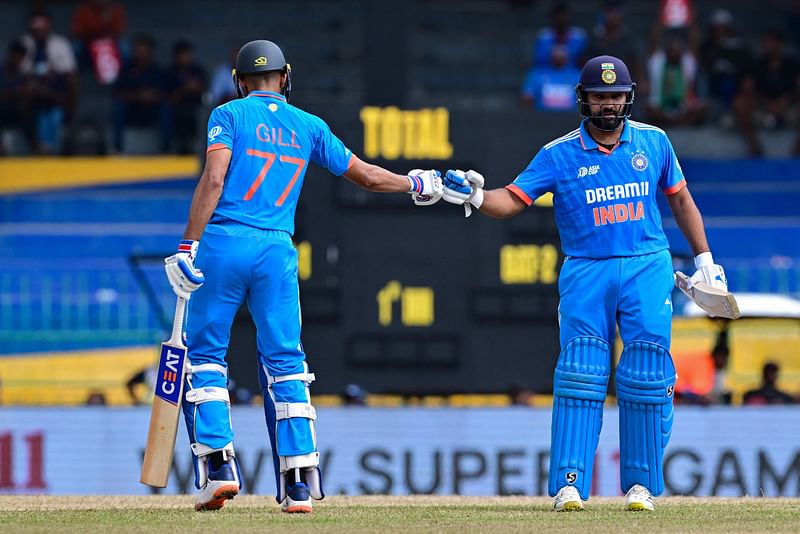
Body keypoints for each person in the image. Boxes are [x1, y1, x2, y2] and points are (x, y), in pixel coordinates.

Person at [436, 55, 730, 512]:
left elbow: (681, 199)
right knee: (581, 373)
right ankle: (569, 484)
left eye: (615, 96)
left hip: (645, 265)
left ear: (628, 98)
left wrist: (705, 261)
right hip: (587, 268)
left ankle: (641, 487)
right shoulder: (557, 154)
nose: (608, 104)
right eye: (599, 96)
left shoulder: (654, 142)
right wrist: (475, 194)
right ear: (583, 99)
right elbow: (509, 201)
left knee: (648, 373)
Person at [163, 39, 442, 514]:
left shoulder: (227, 116)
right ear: (284, 76)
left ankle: (218, 469)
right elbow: (368, 177)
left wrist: (188, 244)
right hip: (276, 249)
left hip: (225, 243)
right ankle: (298, 482)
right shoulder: (309, 126)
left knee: (206, 357)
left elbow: (213, 179)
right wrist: (417, 183)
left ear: (239, 81)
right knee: (286, 362)